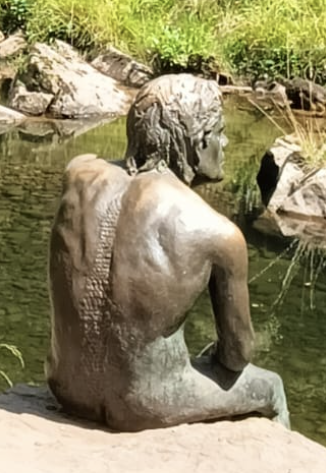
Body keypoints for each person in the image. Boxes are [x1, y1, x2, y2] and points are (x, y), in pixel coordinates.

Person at [46, 74, 289, 431]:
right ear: (198, 141)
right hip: (146, 404)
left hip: (65, 386)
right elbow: (237, 356)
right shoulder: (217, 232)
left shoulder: (76, 175)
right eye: (219, 132)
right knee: (272, 387)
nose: (225, 141)